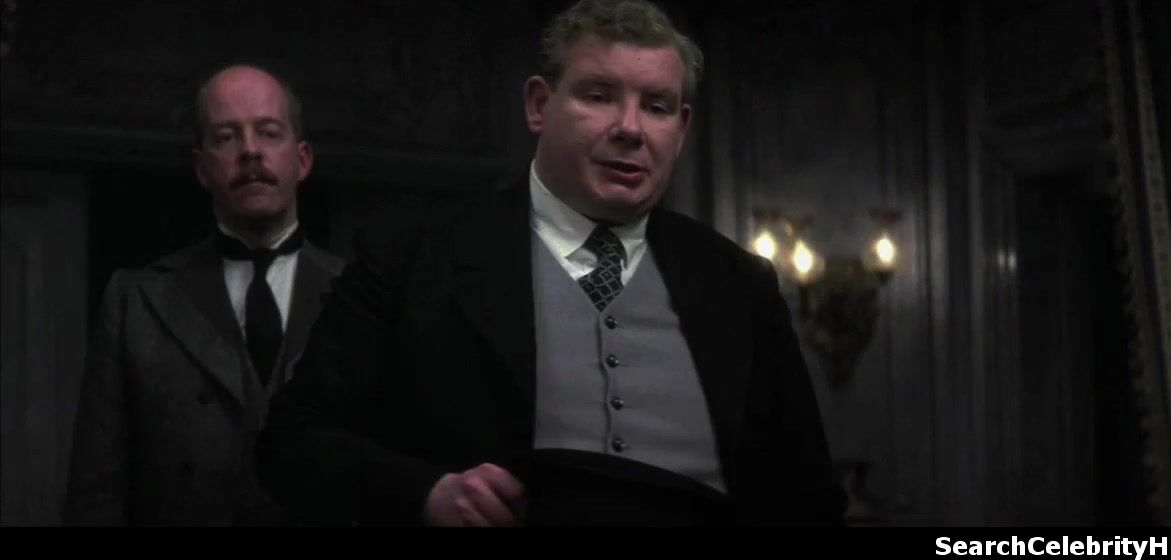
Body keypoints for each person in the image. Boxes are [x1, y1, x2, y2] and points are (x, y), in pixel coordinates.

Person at [258, 0, 846, 526]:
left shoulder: (740, 284)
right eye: (599, 96)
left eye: (657, 107)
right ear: (539, 105)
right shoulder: (411, 256)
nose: (630, 128)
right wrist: (426, 493)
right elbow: (293, 441)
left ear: (682, 129)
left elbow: (808, 497)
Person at [64, 65, 345, 526]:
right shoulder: (137, 300)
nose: (250, 150)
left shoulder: (360, 296)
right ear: (201, 168)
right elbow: (96, 493)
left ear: (303, 160)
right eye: (227, 136)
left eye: (269, 133)